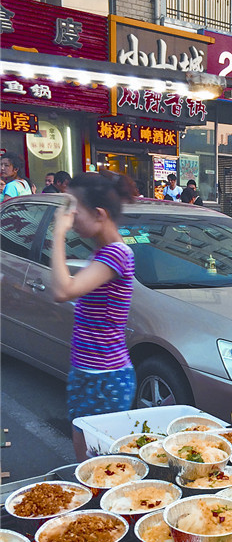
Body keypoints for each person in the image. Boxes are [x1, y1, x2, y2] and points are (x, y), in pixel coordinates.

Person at [50, 170, 138, 459]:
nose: (71, 219)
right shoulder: (103, 252)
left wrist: (58, 233)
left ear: (100, 214)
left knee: (99, 467)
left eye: (76, 213)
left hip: (106, 378)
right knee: (89, 464)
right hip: (89, 371)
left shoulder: (117, 255)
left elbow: (64, 290)